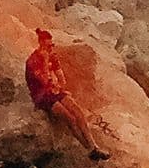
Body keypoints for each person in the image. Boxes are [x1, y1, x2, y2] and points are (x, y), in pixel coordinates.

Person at [26, 29, 111, 161]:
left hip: (54, 91)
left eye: (51, 45)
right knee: (69, 118)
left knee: (77, 111)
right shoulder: (33, 61)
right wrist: (45, 61)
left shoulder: (52, 57)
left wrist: (60, 85)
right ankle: (89, 149)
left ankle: (94, 146)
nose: (50, 48)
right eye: (48, 46)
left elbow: (61, 76)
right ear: (41, 44)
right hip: (42, 96)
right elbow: (42, 80)